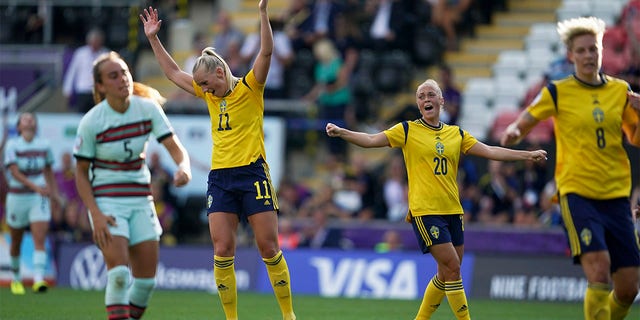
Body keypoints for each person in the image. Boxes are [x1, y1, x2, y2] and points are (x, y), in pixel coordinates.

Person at [326, 78, 547, 320]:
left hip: (453, 210)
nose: (425, 99)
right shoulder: (407, 130)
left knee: (447, 272)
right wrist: (342, 132)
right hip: (425, 211)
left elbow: (491, 151)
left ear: (441, 101)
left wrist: (527, 155)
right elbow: (370, 141)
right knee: (453, 268)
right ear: (418, 104)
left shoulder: (456, 134)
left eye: (430, 95)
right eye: (421, 96)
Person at [140, 2, 297, 319]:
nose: (205, 90)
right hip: (221, 178)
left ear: (221, 72)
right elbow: (171, 73)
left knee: (268, 248)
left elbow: (265, 54)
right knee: (222, 249)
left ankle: (288, 315)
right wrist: (153, 38)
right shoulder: (209, 94)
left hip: (253, 174)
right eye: (202, 87)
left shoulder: (251, 89)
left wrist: (263, 15)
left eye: (208, 83)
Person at [500, 16, 640, 320]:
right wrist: (514, 131)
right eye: (582, 50)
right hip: (578, 192)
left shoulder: (621, 92)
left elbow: (637, 137)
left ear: (602, 51)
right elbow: (528, 118)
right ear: (571, 55)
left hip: (616, 194)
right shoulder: (558, 91)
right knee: (599, 270)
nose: (589, 55)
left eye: (594, 49)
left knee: (628, 288)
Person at [73, 51, 192, 319]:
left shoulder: (147, 109)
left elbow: (175, 148)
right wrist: (96, 214)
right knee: (117, 275)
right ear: (100, 86)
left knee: (146, 283)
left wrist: (183, 168)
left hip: (141, 199)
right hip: (107, 200)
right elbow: (81, 173)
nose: (122, 79)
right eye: (113, 76)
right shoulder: (92, 121)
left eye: (124, 73)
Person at [4, 112, 60, 295]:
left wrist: (54, 193)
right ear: (19, 126)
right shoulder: (12, 145)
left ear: (35, 125)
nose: (29, 121)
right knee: (16, 241)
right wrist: (36, 187)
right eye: (25, 119)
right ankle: (17, 278)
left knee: (39, 237)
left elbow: (49, 170)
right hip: (17, 196)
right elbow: (14, 172)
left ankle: (38, 279)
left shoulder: (44, 145)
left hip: (39, 197)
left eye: (32, 119)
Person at [62, 28, 109, 113]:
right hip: (82, 90)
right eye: (93, 42)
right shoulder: (80, 53)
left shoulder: (105, 54)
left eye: (97, 42)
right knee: (82, 116)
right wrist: (67, 89)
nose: (94, 45)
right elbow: (72, 72)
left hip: (98, 90)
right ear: (89, 41)